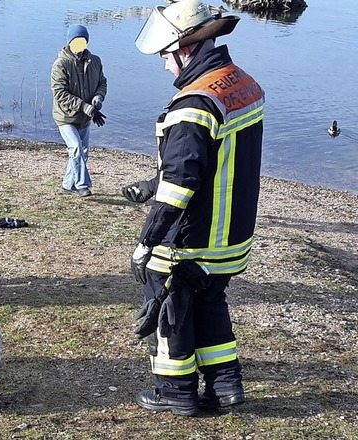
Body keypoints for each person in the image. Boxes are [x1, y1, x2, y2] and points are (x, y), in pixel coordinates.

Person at [129, 0, 264, 416]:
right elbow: (216, 158)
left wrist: (146, 241)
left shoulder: (193, 104)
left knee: (169, 307)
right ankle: (226, 386)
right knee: (210, 303)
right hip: (233, 237)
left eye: (166, 57)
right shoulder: (241, 83)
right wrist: (152, 182)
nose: (165, 66)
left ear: (184, 49)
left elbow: (181, 183)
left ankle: (175, 391)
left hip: (192, 240)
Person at [51, 24, 107, 197]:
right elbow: (60, 93)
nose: (79, 45)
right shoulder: (61, 64)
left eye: (82, 41)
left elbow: (102, 83)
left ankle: (68, 186)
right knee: (75, 148)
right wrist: (84, 106)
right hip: (65, 117)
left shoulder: (95, 61)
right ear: (69, 42)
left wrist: (98, 98)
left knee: (82, 153)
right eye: (75, 41)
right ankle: (83, 185)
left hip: (85, 118)